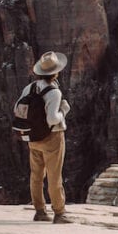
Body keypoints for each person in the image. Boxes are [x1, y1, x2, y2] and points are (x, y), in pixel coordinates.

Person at [16, 51, 72, 223]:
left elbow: (17, 109)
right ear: (56, 72)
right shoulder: (54, 92)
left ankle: (40, 211)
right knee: (54, 176)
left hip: (32, 137)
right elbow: (52, 119)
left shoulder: (29, 88)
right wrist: (64, 110)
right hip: (52, 137)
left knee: (36, 175)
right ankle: (59, 213)